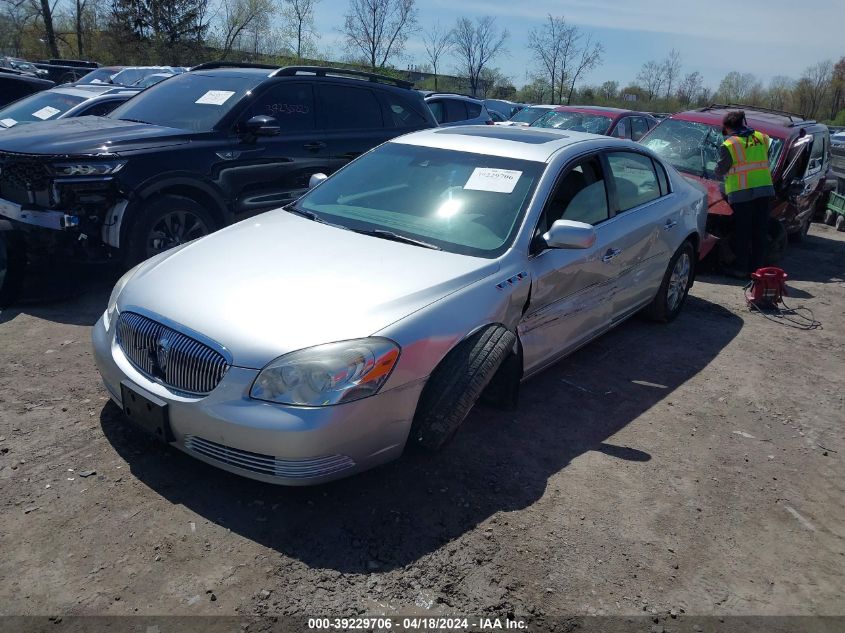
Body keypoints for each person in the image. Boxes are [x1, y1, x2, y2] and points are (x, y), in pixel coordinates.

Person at [714, 110, 775, 279]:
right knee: (760, 232)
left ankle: (741, 268)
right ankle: (757, 271)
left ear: (727, 127)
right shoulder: (762, 137)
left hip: (741, 193)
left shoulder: (730, 144)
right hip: (764, 189)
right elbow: (764, 159)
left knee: (743, 232)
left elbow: (720, 171)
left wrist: (718, 173)